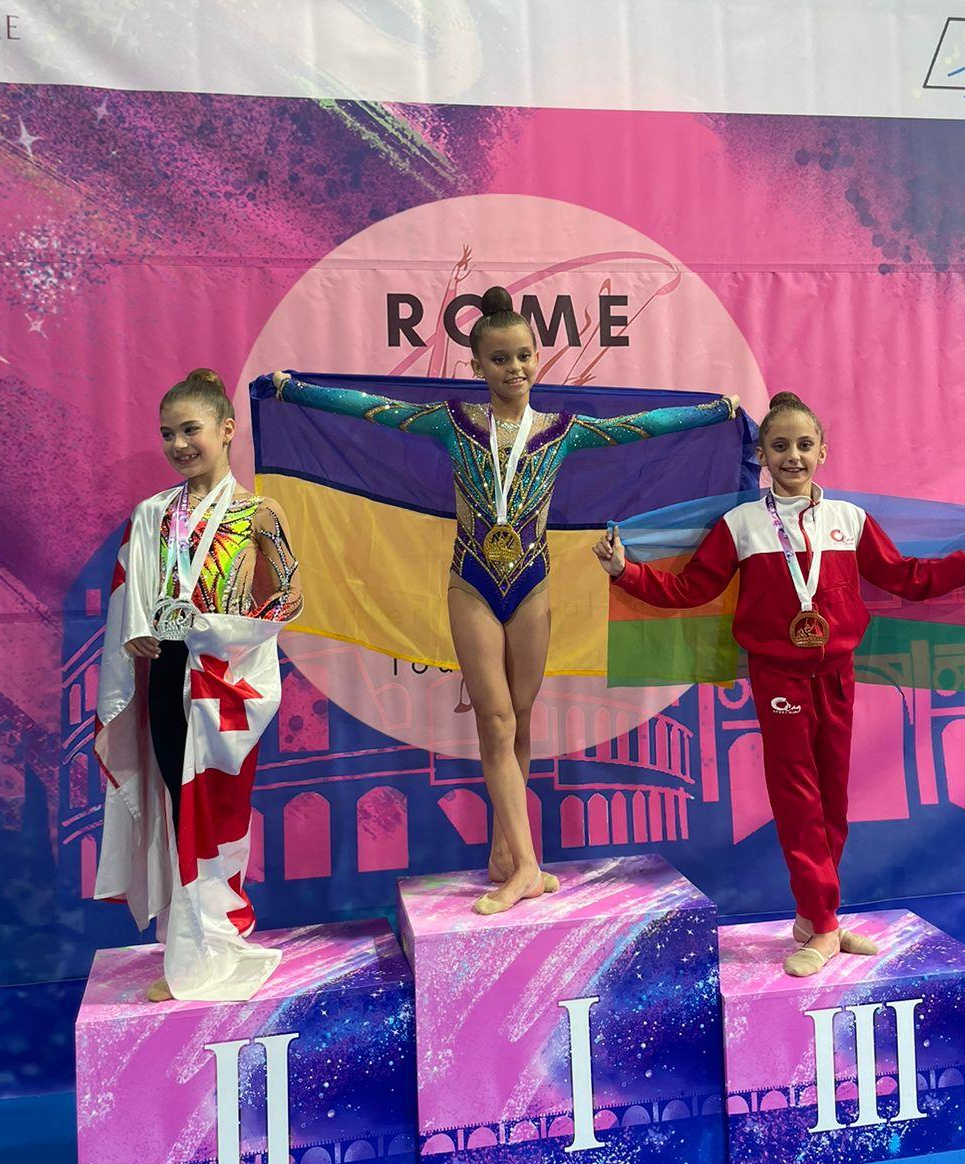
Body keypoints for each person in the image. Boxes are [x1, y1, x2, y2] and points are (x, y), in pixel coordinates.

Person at [270, 286, 741, 916]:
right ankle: (526, 867)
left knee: (520, 719)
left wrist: (715, 411)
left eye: (523, 356)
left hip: (533, 586)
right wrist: (294, 391)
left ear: (537, 357)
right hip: (472, 582)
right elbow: (372, 410)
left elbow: (641, 427)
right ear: (476, 365)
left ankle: (503, 851)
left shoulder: (562, 433)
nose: (513, 368)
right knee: (493, 722)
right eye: (499, 359)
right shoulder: (452, 423)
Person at [595, 390, 965, 977]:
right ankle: (822, 925)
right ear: (762, 456)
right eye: (779, 446)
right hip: (778, 678)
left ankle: (817, 916)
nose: (792, 455)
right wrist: (626, 572)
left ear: (823, 451)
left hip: (839, 674)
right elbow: (692, 589)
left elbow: (906, 578)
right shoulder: (741, 524)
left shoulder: (850, 520)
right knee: (798, 799)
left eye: (803, 444)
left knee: (834, 800)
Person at [94, 368, 302, 1002]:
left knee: (217, 815)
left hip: (225, 686)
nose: (179, 444)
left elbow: (291, 596)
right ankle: (189, 951)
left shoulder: (258, 513)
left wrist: (224, 631)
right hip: (167, 675)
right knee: (177, 810)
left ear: (227, 429)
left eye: (191, 430)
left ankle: (219, 936)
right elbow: (133, 598)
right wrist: (138, 630)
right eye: (167, 434)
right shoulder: (153, 514)